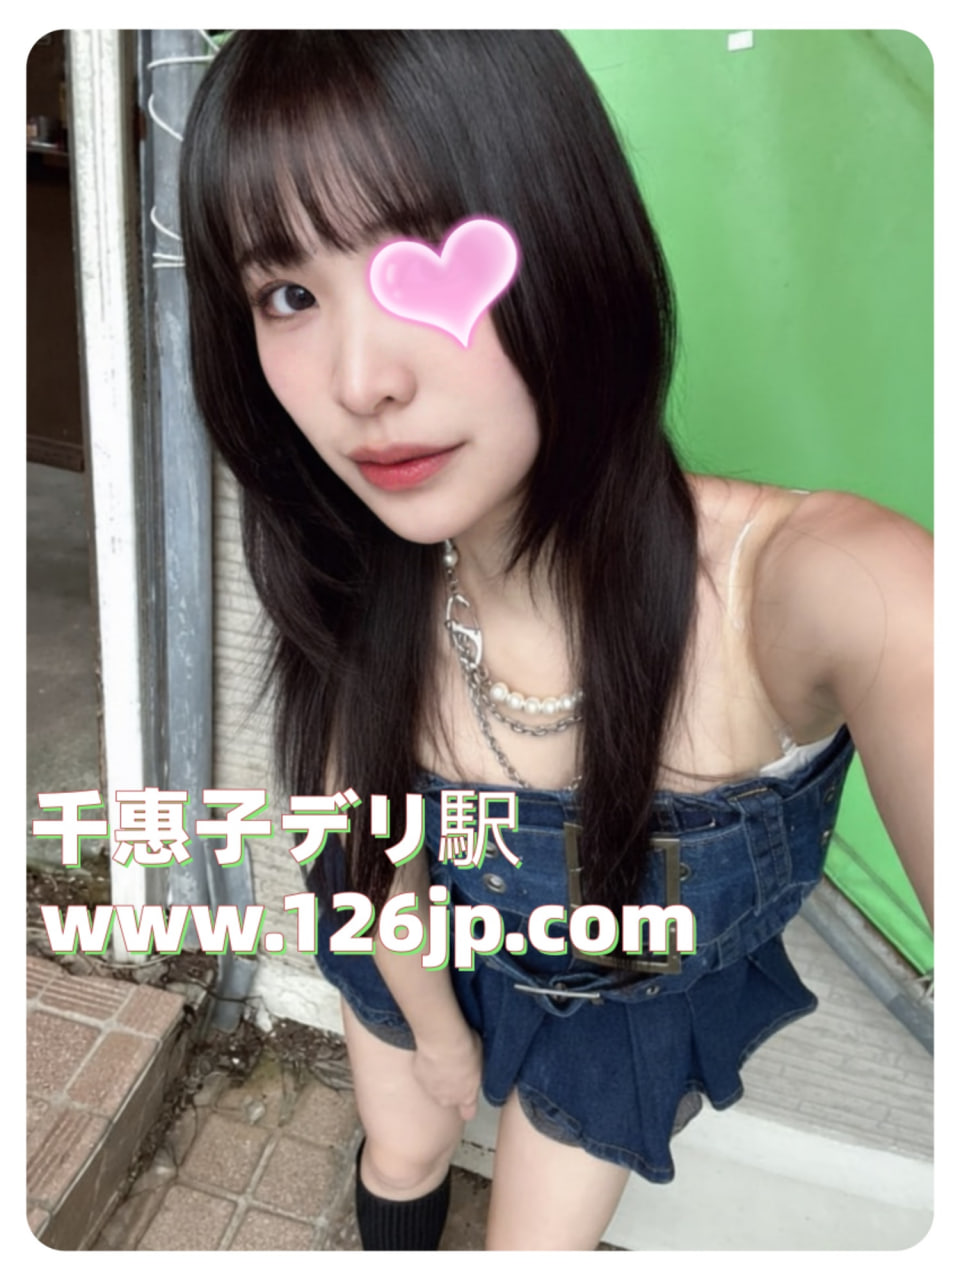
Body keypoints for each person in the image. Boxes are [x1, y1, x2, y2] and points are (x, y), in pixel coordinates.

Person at [179, 30, 933, 1251]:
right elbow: (364, 837)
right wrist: (437, 1035)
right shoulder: (360, 564)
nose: (362, 381)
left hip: (614, 1004)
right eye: (290, 295)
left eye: (422, 254)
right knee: (404, 1143)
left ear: (569, 228)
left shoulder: (819, 587)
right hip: (412, 924)